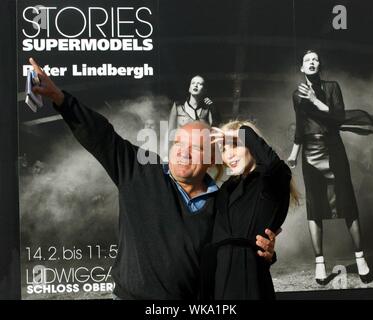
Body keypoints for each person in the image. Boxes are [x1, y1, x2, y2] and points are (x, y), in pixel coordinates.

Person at [28, 58, 276, 299]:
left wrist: (266, 252)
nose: (182, 151)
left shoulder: (224, 204)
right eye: (179, 142)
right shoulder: (141, 172)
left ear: (212, 159)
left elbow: (240, 249)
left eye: (196, 148)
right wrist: (60, 98)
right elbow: (101, 136)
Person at [287, 50, 373, 284]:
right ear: (302, 68)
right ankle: (320, 265)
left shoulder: (332, 87)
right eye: (308, 60)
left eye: (315, 60)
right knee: (315, 207)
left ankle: (361, 259)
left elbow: (338, 118)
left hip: (333, 148)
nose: (312, 62)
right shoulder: (296, 95)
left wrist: (315, 100)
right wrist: (294, 154)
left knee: (347, 202)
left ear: (319, 67)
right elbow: (300, 127)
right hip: (310, 153)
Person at [200, 120, 296, 300]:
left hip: (248, 282)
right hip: (216, 282)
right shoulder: (226, 189)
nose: (229, 155)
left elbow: (276, 167)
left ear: (252, 144)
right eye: (224, 149)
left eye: (235, 145)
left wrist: (237, 133)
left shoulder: (269, 182)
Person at [168, 75, 221, 143]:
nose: (195, 85)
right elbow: (170, 130)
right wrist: (168, 151)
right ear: (189, 88)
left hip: (200, 148)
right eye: (193, 83)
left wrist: (213, 108)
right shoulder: (178, 106)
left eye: (199, 84)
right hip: (182, 148)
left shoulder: (207, 109)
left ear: (204, 90)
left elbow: (215, 130)